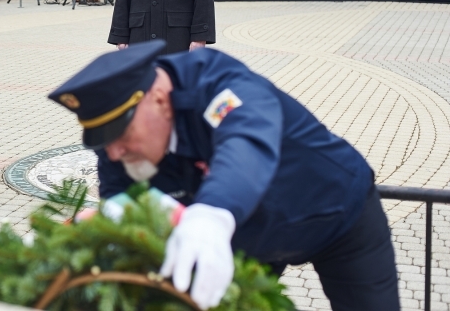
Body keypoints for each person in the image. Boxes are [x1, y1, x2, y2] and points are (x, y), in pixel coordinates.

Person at [49, 41, 399, 311]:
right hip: (245, 240)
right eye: (105, 143)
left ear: (158, 99)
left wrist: (212, 215)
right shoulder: (116, 136)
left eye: (123, 139)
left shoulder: (217, 82)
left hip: (336, 216)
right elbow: (126, 208)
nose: (113, 153)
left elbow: (244, 140)